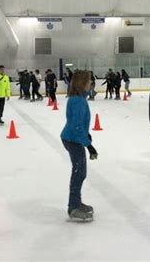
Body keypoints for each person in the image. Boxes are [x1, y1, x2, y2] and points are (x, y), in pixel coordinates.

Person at [60, 70, 98, 221]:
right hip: (72, 139)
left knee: (80, 172)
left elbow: (79, 124)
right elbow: (76, 127)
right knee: (78, 172)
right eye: (89, 81)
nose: (91, 83)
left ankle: (76, 202)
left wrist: (86, 136)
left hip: (74, 138)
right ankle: (73, 207)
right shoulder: (78, 101)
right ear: (83, 83)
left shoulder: (79, 98)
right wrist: (89, 145)